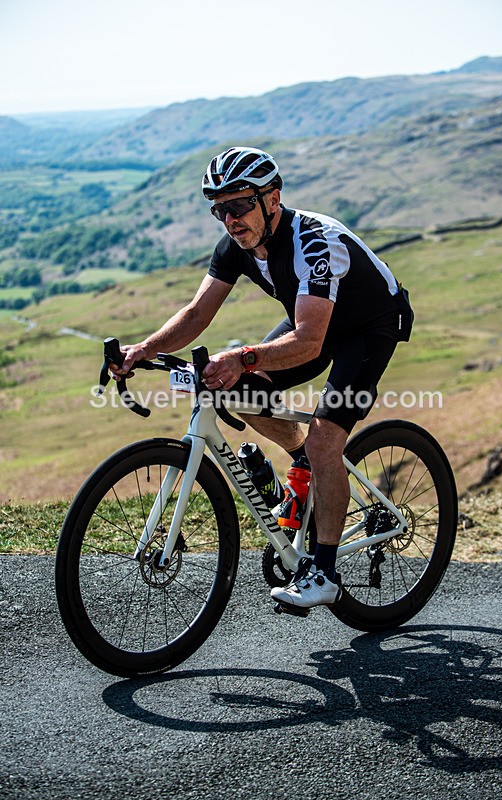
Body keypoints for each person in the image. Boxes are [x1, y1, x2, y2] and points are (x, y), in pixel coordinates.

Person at [112, 146, 411, 611]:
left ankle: (325, 571)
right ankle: (303, 467)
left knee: (325, 439)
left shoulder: (315, 241)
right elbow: (197, 314)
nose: (230, 218)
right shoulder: (236, 245)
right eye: (220, 209)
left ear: (272, 198)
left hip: (368, 329)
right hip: (313, 323)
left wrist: (243, 355)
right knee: (239, 391)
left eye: (239, 204)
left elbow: (311, 342)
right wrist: (145, 349)